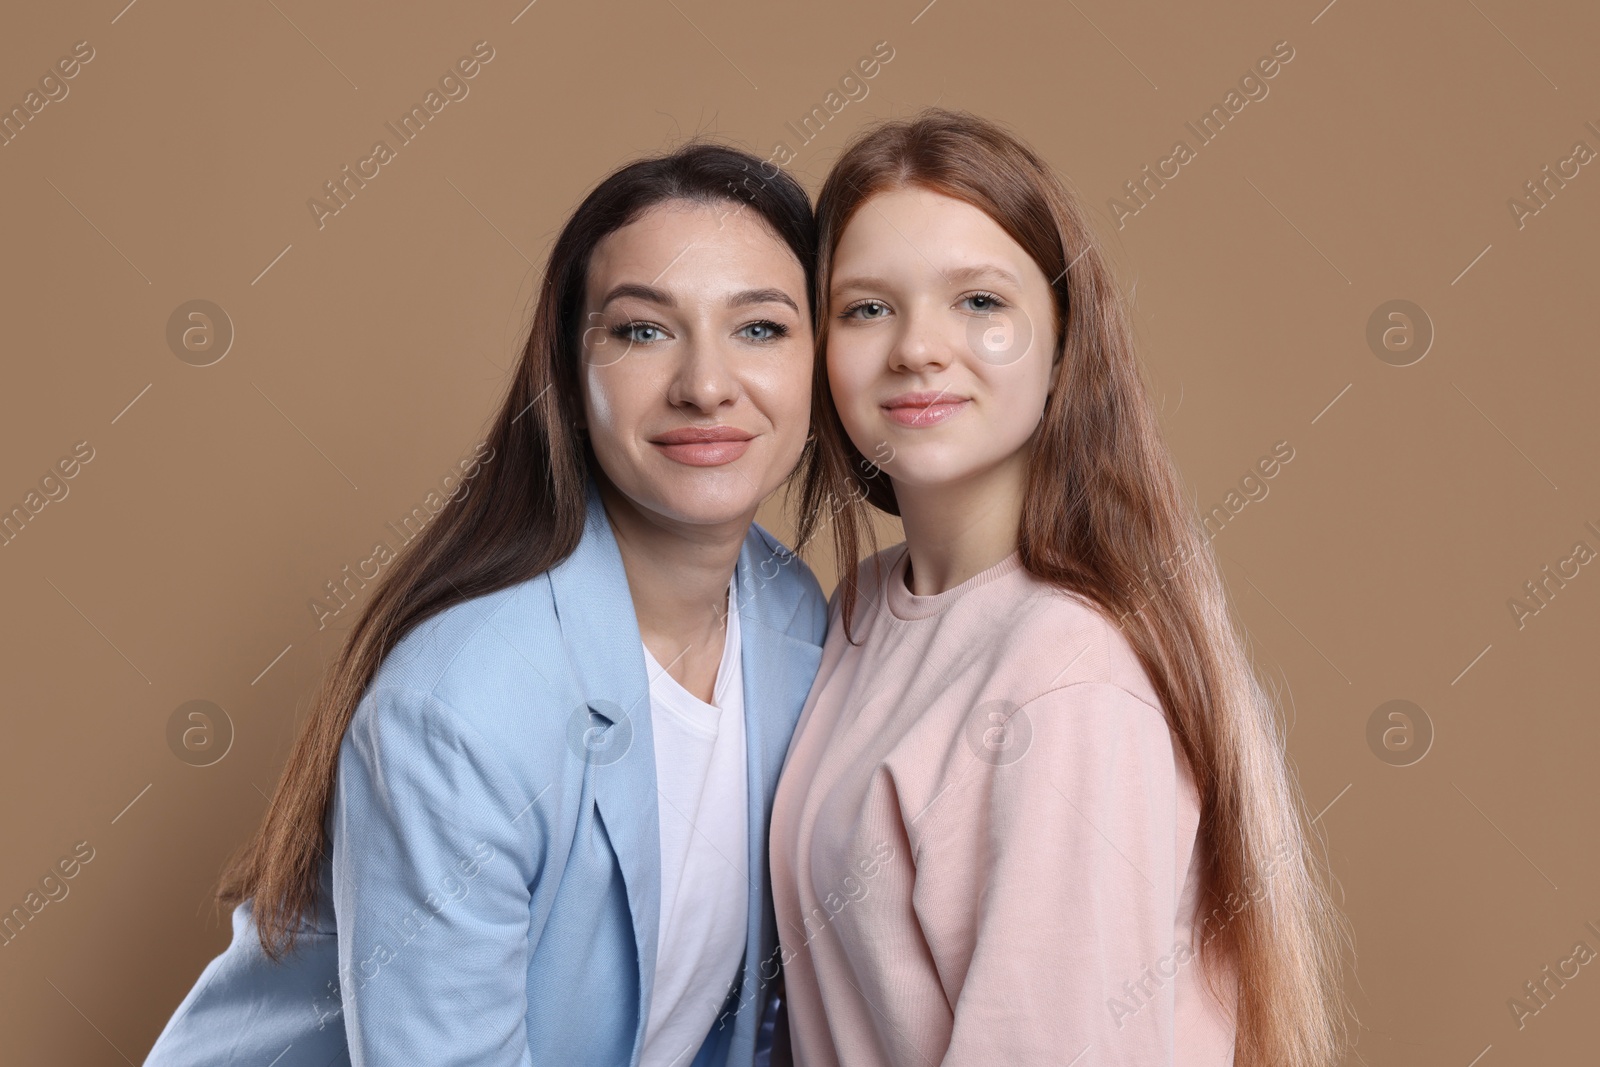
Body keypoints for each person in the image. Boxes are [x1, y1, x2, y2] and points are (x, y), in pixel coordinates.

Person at [144, 141, 827, 1067]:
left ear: (820, 362)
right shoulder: (462, 703)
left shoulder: (793, 617)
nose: (706, 385)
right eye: (641, 330)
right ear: (570, 373)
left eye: (759, 328)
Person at [768, 109, 1353, 1067]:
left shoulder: (1066, 677)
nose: (918, 347)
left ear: (1062, 342)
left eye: (981, 303)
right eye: (866, 307)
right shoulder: (862, 608)